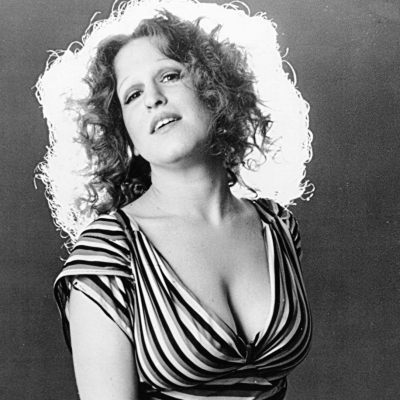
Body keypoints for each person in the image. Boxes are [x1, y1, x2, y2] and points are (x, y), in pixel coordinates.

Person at [35, 1, 313, 399]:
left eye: (169, 75)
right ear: (126, 134)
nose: (153, 98)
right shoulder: (109, 253)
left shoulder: (277, 226)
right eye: (132, 95)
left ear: (213, 90)